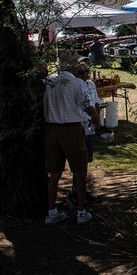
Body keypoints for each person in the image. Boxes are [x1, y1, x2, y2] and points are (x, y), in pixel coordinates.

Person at [43, 54, 99, 226]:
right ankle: (81, 211)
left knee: (55, 172)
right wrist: (97, 119)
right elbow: (87, 105)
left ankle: (51, 211)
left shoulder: (49, 81)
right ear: (73, 68)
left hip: (51, 129)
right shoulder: (77, 83)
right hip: (70, 128)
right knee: (80, 170)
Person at [67, 63, 102, 207]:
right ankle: (75, 193)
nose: (84, 74)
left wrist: (99, 121)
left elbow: (95, 103)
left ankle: (81, 191)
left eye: (86, 71)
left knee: (85, 162)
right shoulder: (72, 86)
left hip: (90, 127)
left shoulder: (90, 85)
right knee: (79, 164)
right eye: (80, 71)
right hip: (79, 127)